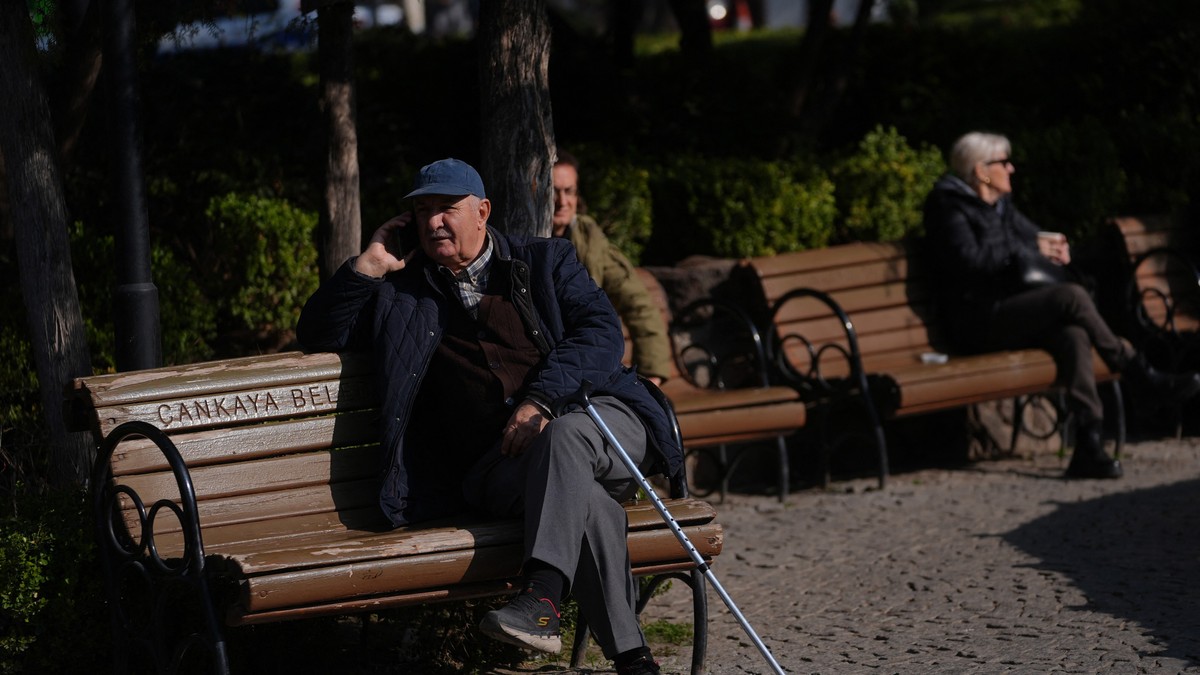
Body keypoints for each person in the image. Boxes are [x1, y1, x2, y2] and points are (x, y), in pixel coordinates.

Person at [296, 158, 677, 675]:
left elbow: (601, 335)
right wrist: (367, 267)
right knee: (583, 500)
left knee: (563, 436)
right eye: (422, 211)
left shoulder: (545, 261)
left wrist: (539, 401)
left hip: (604, 421)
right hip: (500, 468)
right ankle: (635, 661)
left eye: (446, 209)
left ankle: (542, 596)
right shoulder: (402, 295)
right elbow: (318, 336)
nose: (433, 222)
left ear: (482, 211)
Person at [922, 131, 1200, 480]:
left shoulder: (1001, 207)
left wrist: (1058, 250)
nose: (1011, 168)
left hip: (1012, 311)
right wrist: (1027, 251)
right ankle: (1136, 371)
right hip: (976, 320)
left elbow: (1034, 239)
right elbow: (970, 262)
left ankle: (1089, 441)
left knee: (1073, 336)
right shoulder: (948, 208)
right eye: (1003, 162)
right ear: (981, 171)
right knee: (1070, 297)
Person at [552, 151, 672, 385]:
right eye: (554, 191)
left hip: (583, 366)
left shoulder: (591, 243)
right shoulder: (522, 238)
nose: (562, 202)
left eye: (569, 191)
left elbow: (639, 306)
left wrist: (652, 374)